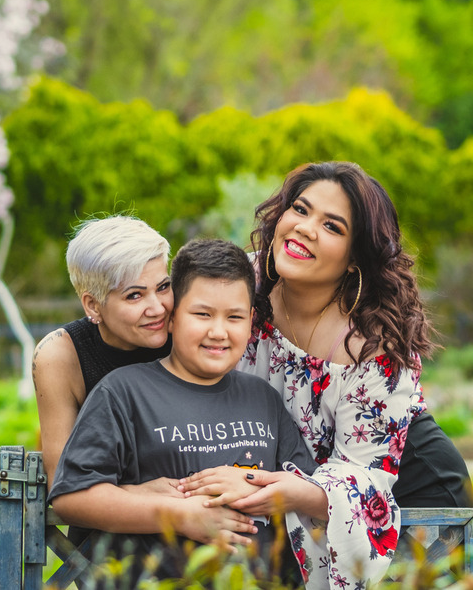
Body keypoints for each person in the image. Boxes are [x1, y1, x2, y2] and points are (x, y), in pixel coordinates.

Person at [179, 161, 473, 589]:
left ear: (355, 258)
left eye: (332, 227)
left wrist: (266, 485)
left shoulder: (372, 344)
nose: (305, 229)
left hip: (402, 486)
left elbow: (363, 473)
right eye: (300, 209)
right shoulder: (237, 284)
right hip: (292, 478)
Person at [49, 238, 318, 584]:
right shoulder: (123, 392)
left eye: (234, 317)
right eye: (202, 314)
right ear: (172, 317)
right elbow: (73, 497)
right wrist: (177, 514)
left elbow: (305, 486)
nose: (218, 331)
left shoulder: (263, 398)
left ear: (251, 320)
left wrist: (255, 485)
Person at [32, 216, 175, 488]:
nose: (157, 308)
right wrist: (141, 496)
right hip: (107, 523)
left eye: (163, 287)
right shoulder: (61, 356)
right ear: (93, 305)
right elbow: (63, 482)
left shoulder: (186, 331)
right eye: (134, 295)